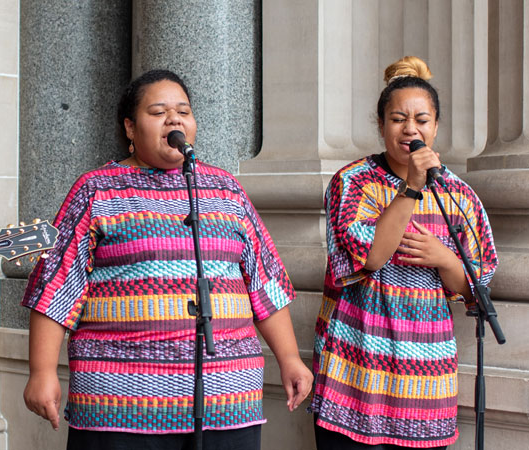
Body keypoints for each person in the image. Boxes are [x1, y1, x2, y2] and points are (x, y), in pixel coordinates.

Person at [21, 69, 313, 450]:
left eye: (183, 111)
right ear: (129, 128)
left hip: (226, 400)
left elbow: (265, 281)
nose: (174, 119)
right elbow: (56, 284)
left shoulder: (226, 190)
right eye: (158, 112)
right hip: (119, 404)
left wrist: (289, 358)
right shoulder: (96, 191)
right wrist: (41, 371)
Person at [311, 56, 498, 449]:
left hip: (424, 387)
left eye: (422, 119)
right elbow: (369, 258)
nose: (410, 129)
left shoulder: (458, 195)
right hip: (355, 378)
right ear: (380, 125)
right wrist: (411, 187)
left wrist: (445, 258)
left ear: (436, 127)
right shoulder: (352, 183)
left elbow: (477, 291)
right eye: (398, 119)